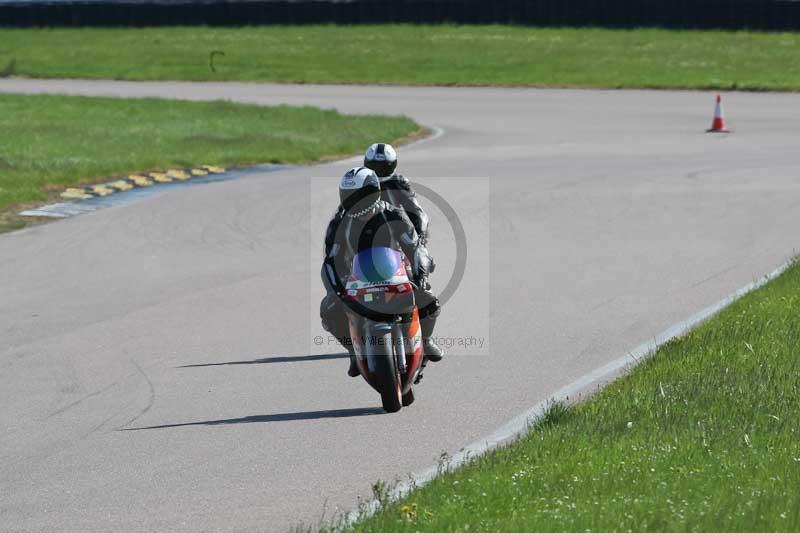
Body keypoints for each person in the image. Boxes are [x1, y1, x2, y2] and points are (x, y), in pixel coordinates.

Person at [320, 167, 443, 378]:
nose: (354, 201)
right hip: (356, 280)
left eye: (360, 195)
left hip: (396, 274)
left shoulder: (393, 214)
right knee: (329, 309)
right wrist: (336, 290)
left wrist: (420, 275)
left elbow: (415, 248)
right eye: (349, 196)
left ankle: (425, 341)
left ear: (374, 192)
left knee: (429, 300)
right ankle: (353, 351)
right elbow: (331, 261)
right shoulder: (339, 223)